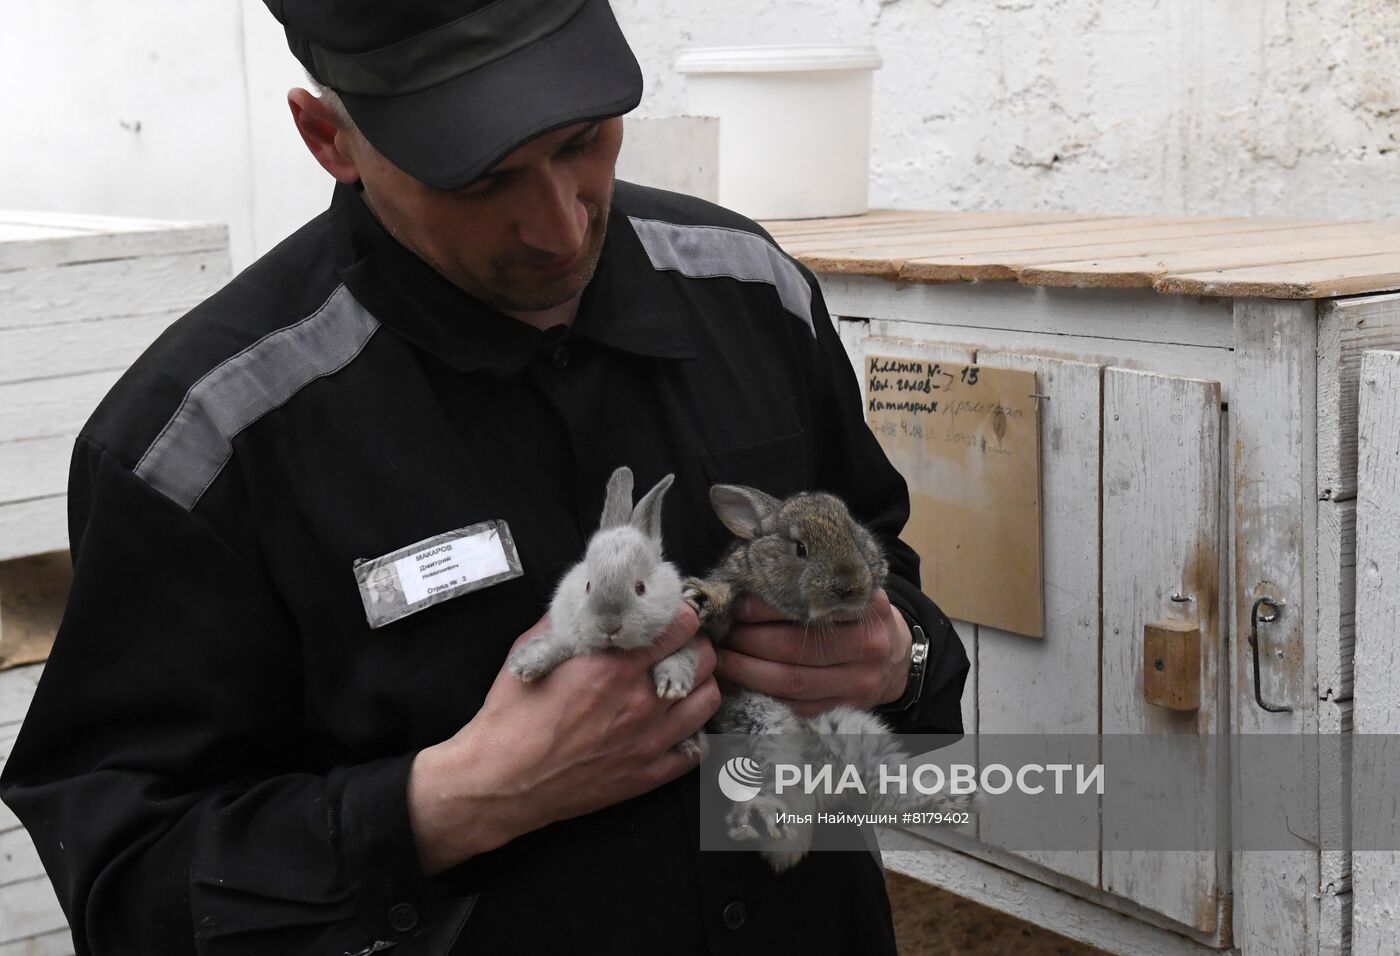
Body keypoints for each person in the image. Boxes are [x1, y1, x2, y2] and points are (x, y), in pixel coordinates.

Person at [0, 1, 970, 953]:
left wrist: (898, 657)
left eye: (582, 142)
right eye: (478, 178)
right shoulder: (206, 442)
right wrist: (458, 795)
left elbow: (897, 582)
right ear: (328, 135)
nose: (555, 225)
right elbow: (131, 884)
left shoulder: (752, 294)